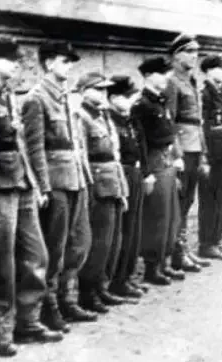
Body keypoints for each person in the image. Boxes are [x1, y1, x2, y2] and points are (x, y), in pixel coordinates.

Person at [0, 35, 62, 357]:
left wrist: (34, 184)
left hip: (20, 183)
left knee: (37, 255)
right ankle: (0, 331)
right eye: (9, 59)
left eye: (17, 60)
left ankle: (28, 321)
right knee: (1, 263)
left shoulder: (7, 95)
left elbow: (20, 143)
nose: (16, 66)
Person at [22, 41, 97, 327]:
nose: (69, 67)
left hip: (75, 179)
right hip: (55, 182)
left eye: (71, 62)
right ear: (49, 63)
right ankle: (49, 305)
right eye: (65, 61)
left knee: (78, 244)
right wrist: (43, 187)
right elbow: (35, 148)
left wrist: (85, 178)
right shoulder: (36, 98)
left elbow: (77, 143)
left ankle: (68, 299)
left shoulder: (67, 97)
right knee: (55, 247)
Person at [74, 72, 133, 313]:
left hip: (113, 184)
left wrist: (122, 190)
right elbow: (82, 157)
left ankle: (101, 286)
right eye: (97, 89)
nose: (103, 93)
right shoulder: (81, 117)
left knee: (111, 242)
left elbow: (114, 156)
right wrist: (88, 190)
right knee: (98, 243)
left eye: (105, 89)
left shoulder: (104, 116)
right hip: (98, 187)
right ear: (83, 91)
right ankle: (87, 292)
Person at [131, 56, 185, 285]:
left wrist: (176, 156)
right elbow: (141, 142)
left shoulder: (160, 101)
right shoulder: (141, 105)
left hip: (166, 161)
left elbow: (169, 133)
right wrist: (146, 172)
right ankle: (152, 267)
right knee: (157, 217)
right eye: (161, 73)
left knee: (171, 215)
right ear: (148, 76)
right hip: (154, 162)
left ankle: (164, 261)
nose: (166, 78)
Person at [164, 33, 210, 272]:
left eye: (196, 52)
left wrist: (203, 151)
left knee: (189, 199)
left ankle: (184, 250)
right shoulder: (172, 82)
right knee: (180, 202)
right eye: (189, 51)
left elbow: (198, 121)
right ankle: (176, 253)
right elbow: (170, 121)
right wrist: (177, 154)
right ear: (176, 55)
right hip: (183, 149)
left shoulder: (191, 81)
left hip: (194, 146)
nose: (194, 56)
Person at [107, 75, 148, 298]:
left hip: (135, 173)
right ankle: (117, 279)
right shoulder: (110, 120)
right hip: (121, 174)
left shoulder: (130, 120)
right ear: (113, 98)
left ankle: (127, 276)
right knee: (122, 230)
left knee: (134, 229)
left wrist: (145, 172)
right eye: (126, 96)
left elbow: (141, 146)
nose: (130, 100)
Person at [197, 55, 222, 260]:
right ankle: (207, 243)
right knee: (211, 198)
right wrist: (205, 157)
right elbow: (202, 127)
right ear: (211, 70)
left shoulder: (219, 92)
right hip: (213, 152)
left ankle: (217, 240)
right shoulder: (204, 94)